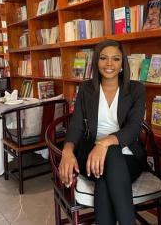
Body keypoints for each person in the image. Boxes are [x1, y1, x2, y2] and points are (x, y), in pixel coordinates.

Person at [59, 39, 147, 225]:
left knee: (104, 180)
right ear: (96, 62)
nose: (109, 64)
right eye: (103, 58)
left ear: (122, 63)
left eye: (115, 59)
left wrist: (104, 143)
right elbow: (76, 126)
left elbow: (133, 128)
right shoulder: (86, 89)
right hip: (90, 157)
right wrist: (67, 151)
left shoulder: (136, 89)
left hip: (128, 156)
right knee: (111, 156)